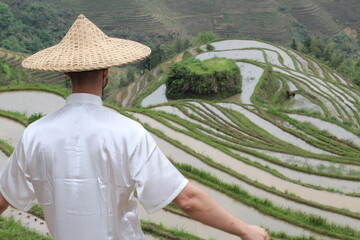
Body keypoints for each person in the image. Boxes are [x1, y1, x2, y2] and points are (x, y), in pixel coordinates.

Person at [0, 14, 269, 240]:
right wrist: (246, 230)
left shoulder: (35, 134)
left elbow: (3, 198)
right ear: (107, 72)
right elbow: (187, 200)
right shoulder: (128, 132)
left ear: (66, 73)